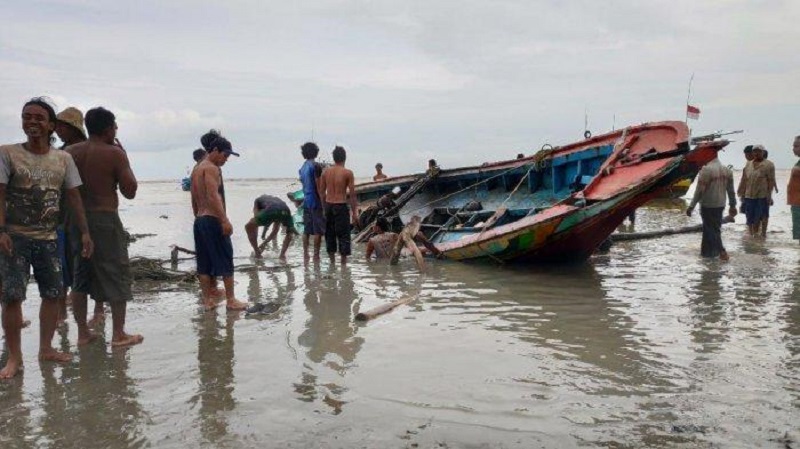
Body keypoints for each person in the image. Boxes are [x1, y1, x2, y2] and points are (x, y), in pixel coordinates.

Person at [0, 97, 94, 378]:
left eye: (39, 118)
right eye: (27, 116)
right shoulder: (7, 153)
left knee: (53, 294)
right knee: (12, 297)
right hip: (14, 238)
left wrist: (86, 232)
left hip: (50, 237)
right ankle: (14, 358)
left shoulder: (63, 159)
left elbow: (74, 196)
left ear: (51, 125)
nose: (32, 122)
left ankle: (46, 348)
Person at [66, 107, 142, 347]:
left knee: (80, 275)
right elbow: (130, 191)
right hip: (104, 219)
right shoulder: (114, 154)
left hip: (76, 220)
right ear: (109, 128)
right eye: (115, 127)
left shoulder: (69, 152)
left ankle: (82, 333)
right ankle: (118, 333)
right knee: (117, 272)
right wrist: (124, 156)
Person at [190, 135, 247, 311]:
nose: (226, 159)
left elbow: (193, 198)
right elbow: (213, 195)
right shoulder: (212, 168)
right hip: (212, 219)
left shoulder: (197, 169)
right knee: (225, 258)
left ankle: (208, 301)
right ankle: (231, 300)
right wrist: (224, 220)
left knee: (204, 263)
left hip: (200, 220)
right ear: (215, 151)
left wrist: (198, 218)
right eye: (224, 155)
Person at [54, 107, 91, 326]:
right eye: (57, 126)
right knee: (61, 265)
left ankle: (94, 311)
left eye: (62, 127)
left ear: (72, 127)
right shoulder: (59, 153)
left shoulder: (76, 152)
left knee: (84, 264)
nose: (58, 130)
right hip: (61, 216)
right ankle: (61, 312)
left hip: (80, 214)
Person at [686, 148, 737, 260]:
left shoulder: (706, 170)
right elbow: (731, 191)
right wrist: (733, 205)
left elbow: (699, 191)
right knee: (714, 228)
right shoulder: (727, 170)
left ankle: (721, 251)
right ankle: (707, 254)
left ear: (708, 155)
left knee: (710, 229)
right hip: (720, 204)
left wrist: (691, 206)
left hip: (707, 204)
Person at [319, 146, 358, 264]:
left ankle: (332, 263)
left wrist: (323, 208)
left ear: (334, 158)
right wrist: (354, 213)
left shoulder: (326, 172)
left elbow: (321, 193)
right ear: (344, 158)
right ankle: (343, 266)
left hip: (329, 206)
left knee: (329, 235)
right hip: (341, 206)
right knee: (344, 236)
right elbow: (352, 195)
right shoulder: (348, 173)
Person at [244, 194, 297, 260]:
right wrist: (264, 244)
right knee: (289, 232)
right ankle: (282, 255)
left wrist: (258, 247)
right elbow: (275, 230)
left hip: (271, 209)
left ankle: (257, 253)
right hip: (285, 210)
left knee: (248, 226)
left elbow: (256, 220)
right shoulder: (275, 200)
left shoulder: (258, 201)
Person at [739, 145, 776, 237]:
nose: (756, 153)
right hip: (749, 194)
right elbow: (744, 178)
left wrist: (769, 194)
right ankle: (752, 234)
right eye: (754, 151)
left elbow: (771, 180)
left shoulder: (769, 164)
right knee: (749, 215)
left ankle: (763, 234)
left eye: (759, 151)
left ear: (763, 152)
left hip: (762, 194)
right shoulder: (748, 164)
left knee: (763, 214)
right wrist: (741, 191)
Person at [365, 216, 441, 260]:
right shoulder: (394, 235)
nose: (372, 227)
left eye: (373, 225)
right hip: (398, 260)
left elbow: (367, 258)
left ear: (378, 228)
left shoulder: (372, 241)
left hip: (383, 265)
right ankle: (437, 253)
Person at [299, 142, 325, 260]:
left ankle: (305, 254)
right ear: (316, 152)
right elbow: (319, 187)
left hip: (306, 201)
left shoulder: (302, 168)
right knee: (317, 230)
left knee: (306, 230)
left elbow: (304, 184)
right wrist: (324, 204)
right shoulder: (316, 166)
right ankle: (316, 255)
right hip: (315, 201)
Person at [787, 136, 800, 243]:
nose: (793, 148)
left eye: (796, 146)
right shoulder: (798, 162)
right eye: (793, 146)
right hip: (796, 203)